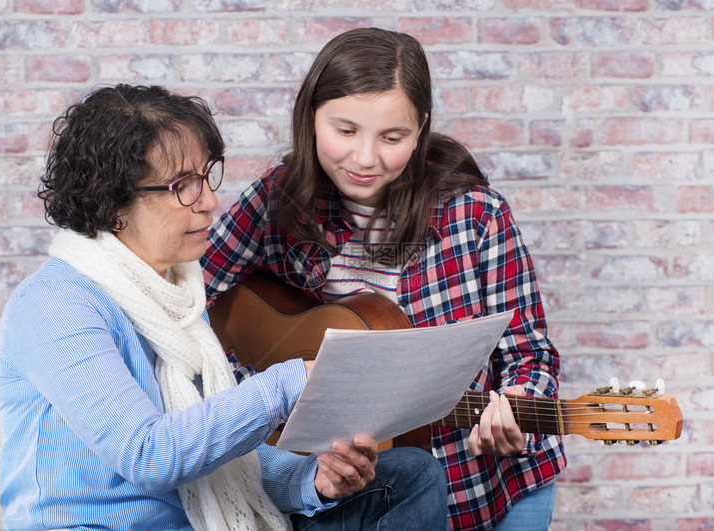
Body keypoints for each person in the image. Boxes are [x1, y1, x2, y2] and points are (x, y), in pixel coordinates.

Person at [0, 83, 449, 531]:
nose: (210, 202)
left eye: (207, 177)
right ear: (113, 204)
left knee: (410, 473)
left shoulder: (177, 293)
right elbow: (148, 456)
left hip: (194, 519)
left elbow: (230, 464)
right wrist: (292, 381)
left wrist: (312, 480)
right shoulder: (56, 305)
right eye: (182, 186)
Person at [201, 28, 567, 531]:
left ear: (421, 130)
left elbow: (529, 353)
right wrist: (259, 397)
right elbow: (177, 302)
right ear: (310, 116)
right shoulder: (274, 201)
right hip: (350, 499)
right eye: (345, 131)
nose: (366, 158)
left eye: (392, 138)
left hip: (479, 489)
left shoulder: (476, 215)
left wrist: (519, 402)